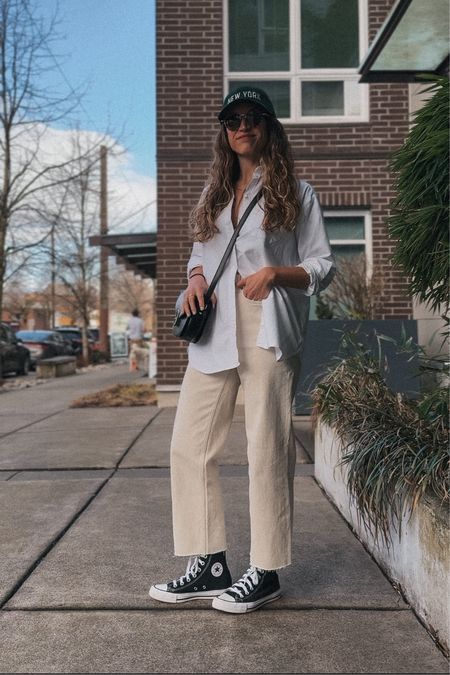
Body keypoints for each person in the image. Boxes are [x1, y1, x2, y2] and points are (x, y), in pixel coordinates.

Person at [149, 86, 335, 614]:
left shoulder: (297, 193)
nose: (242, 126)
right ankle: (208, 563)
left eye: (253, 117)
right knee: (189, 444)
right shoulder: (214, 191)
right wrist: (193, 278)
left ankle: (267, 570)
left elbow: (323, 266)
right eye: (232, 119)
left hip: (266, 325)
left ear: (269, 127)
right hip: (214, 330)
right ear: (224, 131)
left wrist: (276, 273)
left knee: (266, 447)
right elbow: (201, 252)